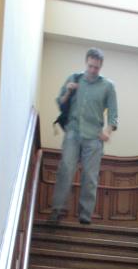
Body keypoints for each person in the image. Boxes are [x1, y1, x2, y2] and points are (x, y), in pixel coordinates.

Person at [50, 47, 118, 225]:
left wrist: (107, 131)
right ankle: (57, 209)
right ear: (86, 63)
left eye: (96, 67)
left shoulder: (108, 86)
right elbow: (60, 103)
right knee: (65, 170)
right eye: (90, 66)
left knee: (90, 176)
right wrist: (68, 91)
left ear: (101, 66)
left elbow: (113, 114)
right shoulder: (74, 78)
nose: (93, 70)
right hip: (73, 131)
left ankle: (85, 214)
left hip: (94, 137)